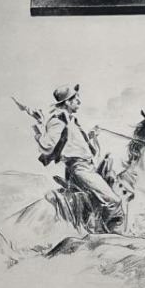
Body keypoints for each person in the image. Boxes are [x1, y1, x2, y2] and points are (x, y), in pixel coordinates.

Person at [35, 84, 123, 228]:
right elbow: (47, 145)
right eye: (76, 99)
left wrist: (91, 136)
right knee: (114, 200)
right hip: (79, 169)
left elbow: (76, 145)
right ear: (67, 102)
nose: (79, 101)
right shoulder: (58, 120)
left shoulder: (71, 121)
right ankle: (107, 232)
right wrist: (39, 129)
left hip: (88, 167)